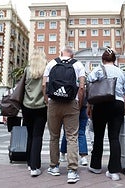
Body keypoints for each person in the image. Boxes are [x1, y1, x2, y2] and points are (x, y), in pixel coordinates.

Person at [87, 47, 125, 181]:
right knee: (114, 138)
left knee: (99, 136)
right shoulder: (121, 72)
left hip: (100, 105)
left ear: (102, 59)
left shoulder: (98, 70)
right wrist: (124, 109)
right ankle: (114, 172)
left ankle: (95, 166)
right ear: (115, 60)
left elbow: (90, 87)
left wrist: (89, 106)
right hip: (117, 104)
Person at [42, 46, 85, 184]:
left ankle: (54, 167)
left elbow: (44, 84)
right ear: (72, 55)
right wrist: (79, 103)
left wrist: (47, 100)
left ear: (61, 53)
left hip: (53, 102)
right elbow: (82, 87)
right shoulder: (78, 64)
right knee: (72, 137)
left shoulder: (52, 63)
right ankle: (72, 171)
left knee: (54, 136)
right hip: (71, 103)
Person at [21, 49, 48, 177]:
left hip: (26, 106)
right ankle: (35, 166)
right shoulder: (46, 70)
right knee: (38, 136)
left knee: (30, 135)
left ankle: (29, 162)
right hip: (41, 106)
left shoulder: (27, 70)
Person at [60, 92, 88, 166]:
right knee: (81, 132)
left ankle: (62, 154)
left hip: (70, 105)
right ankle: (83, 157)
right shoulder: (83, 80)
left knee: (67, 132)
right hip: (83, 106)